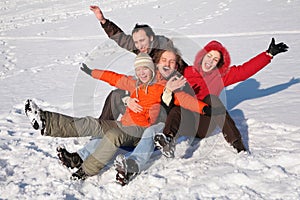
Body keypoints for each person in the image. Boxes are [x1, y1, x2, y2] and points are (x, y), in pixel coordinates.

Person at [25, 53, 168, 179]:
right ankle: (46, 122)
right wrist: (92, 72)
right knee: (92, 123)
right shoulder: (134, 83)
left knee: (112, 135)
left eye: (145, 69)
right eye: (138, 69)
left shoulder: (161, 87)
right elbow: (113, 77)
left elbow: (179, 102)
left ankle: (86, 170)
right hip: (124, 125)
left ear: (152, 70)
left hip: (140, 130)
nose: (142, 73)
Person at [154, 38, 289, 157]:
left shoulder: (220, 76)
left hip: (204, 125)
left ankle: (238, 145)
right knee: (176, 108)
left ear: (218, 63)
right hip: (186, 123)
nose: (210, 61)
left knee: (212, 99)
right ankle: (167, 139)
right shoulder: (186, 72)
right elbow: (166, 65)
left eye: (215, 59)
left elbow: (244, 71)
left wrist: (268, 55)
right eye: (209, 56)